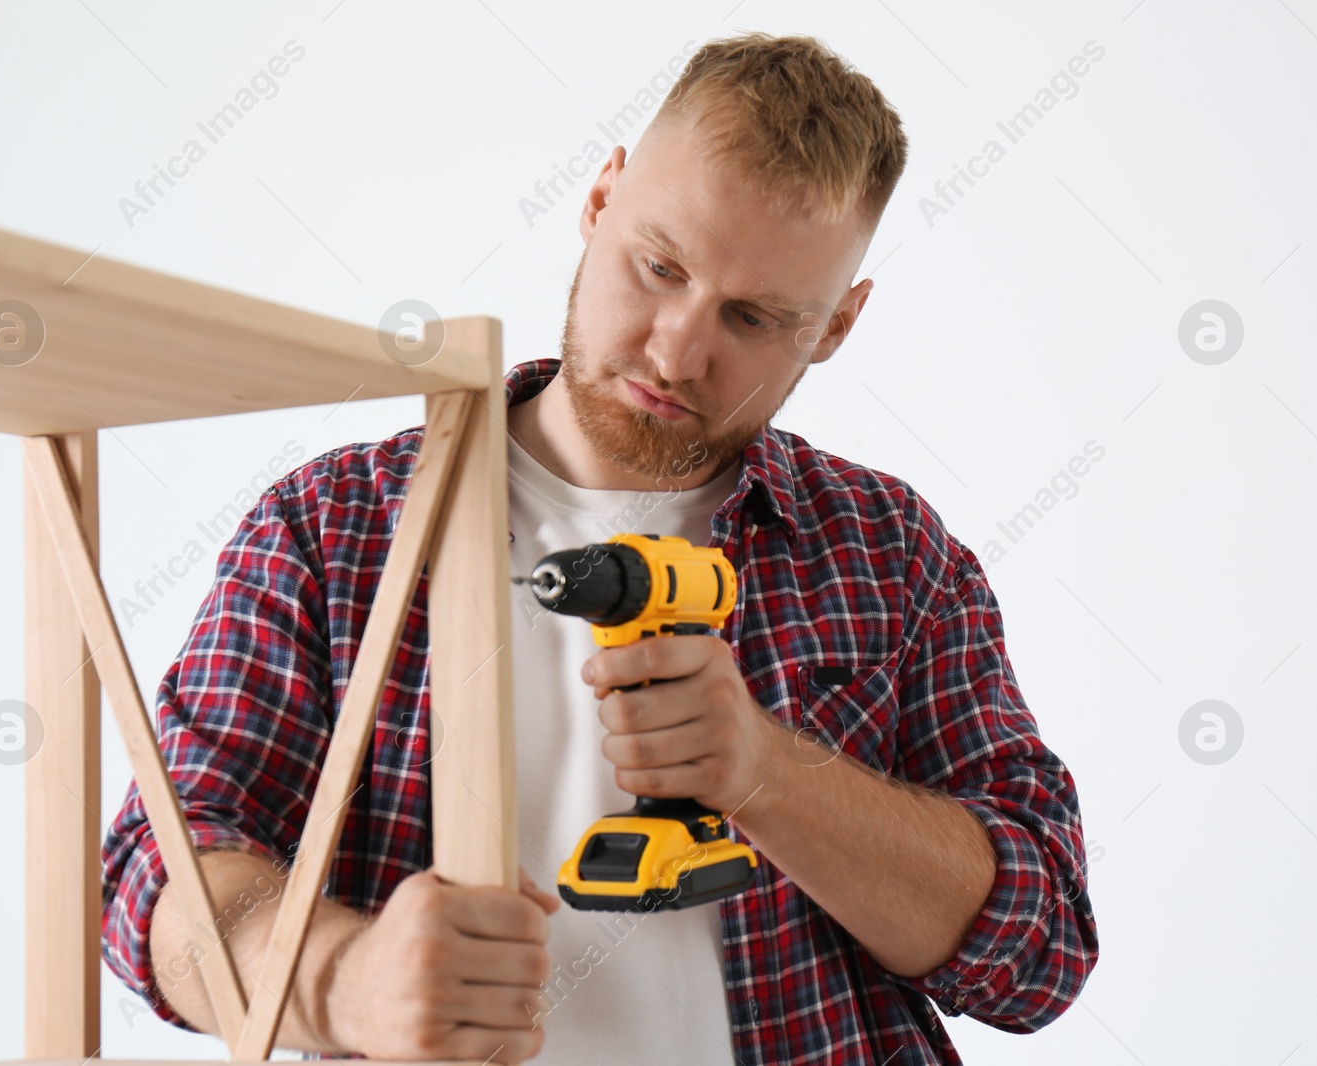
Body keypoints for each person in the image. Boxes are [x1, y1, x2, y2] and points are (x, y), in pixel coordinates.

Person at [102, 30, 1099, 1065]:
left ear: (837, 325)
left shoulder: (892, 555)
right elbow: (158, 882)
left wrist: (768, 772)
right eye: (658, 266)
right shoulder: (336, 526)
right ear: (599, 198)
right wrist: (346, 983)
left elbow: (1042, 952)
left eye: (754, 317)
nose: (677, 349)